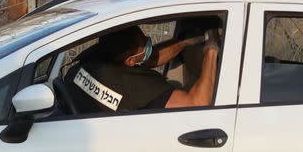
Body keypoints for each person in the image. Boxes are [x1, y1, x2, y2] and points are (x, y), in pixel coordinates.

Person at [64, 25, 220, 113]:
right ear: (130, 61)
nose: (148, 43)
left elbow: (149, 59)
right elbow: (197, 102)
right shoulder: (135, 85)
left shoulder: (87, 64)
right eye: (144, 42)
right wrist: (211, 49)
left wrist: (184, 43)